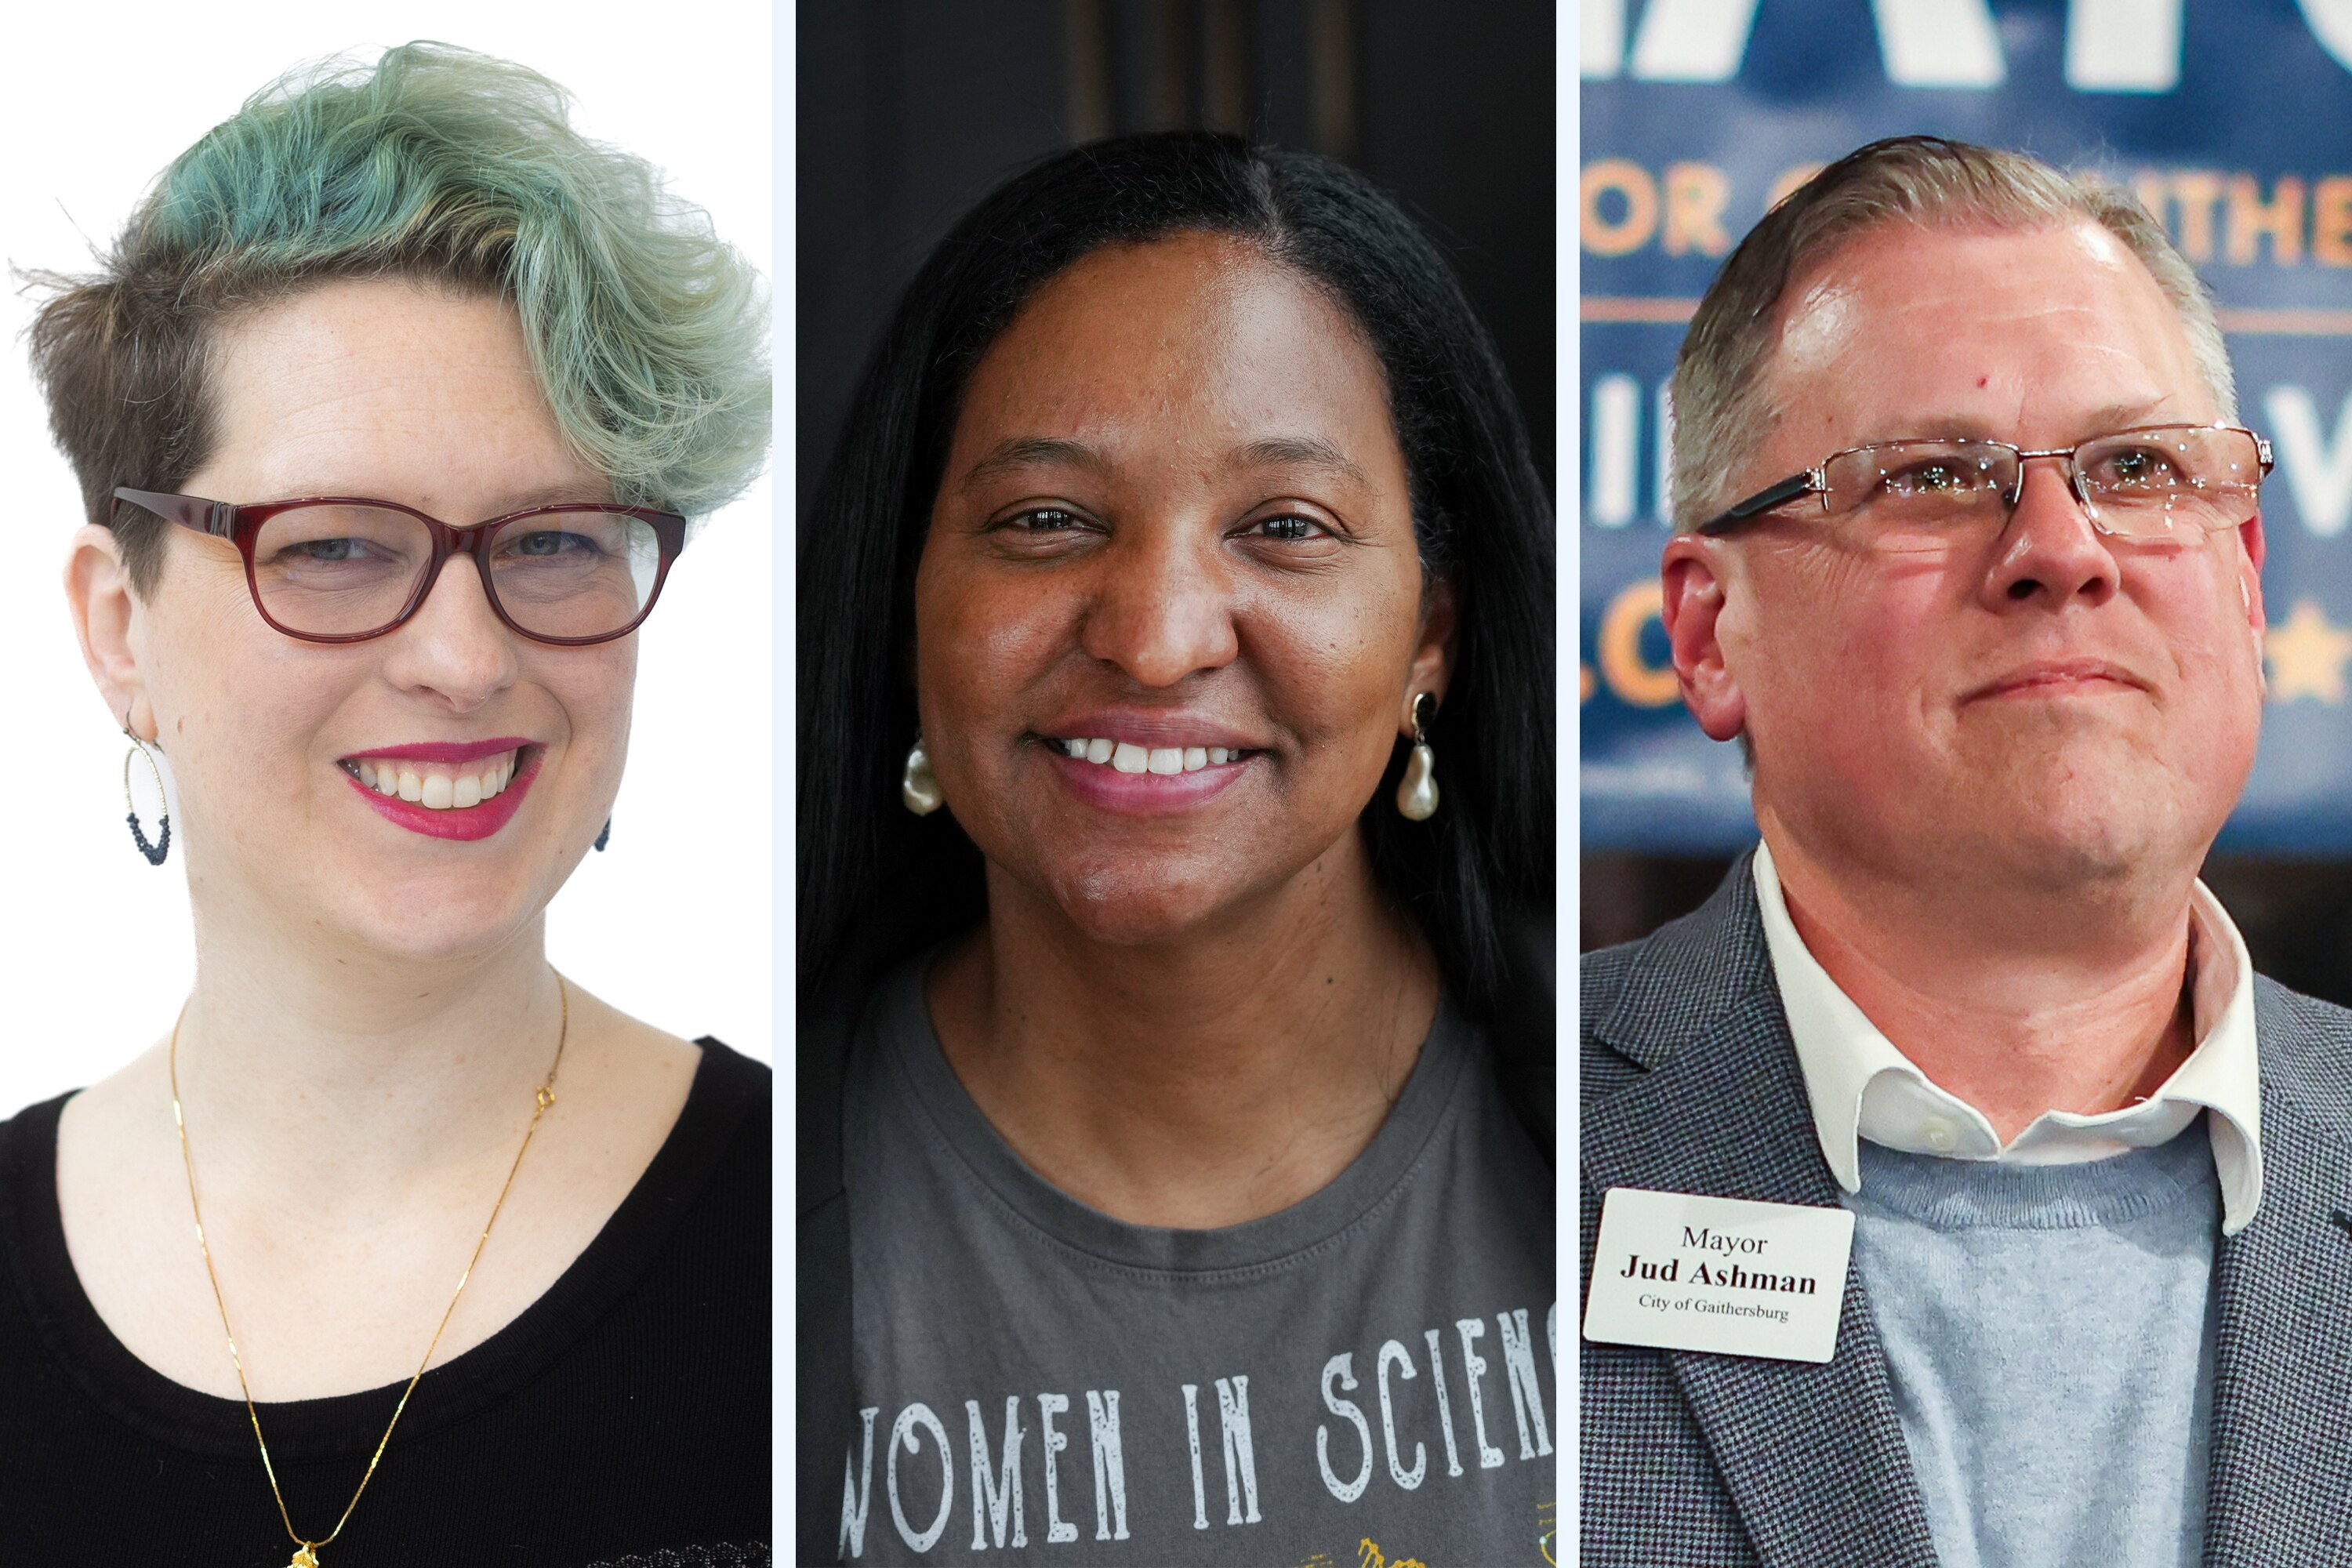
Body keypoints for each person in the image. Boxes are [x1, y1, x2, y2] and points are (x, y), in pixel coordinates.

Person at [5, 44, 771, 1568]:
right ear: (117, 629)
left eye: (553, 541)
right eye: (338, 547)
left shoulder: (814, 1232)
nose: (464, 658)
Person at [1581, 133, 2352, 1566]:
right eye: (1934, 477)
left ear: (2246, 588)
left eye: (2136, 465)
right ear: (1707, 635)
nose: (2063, 548)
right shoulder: (1483, 1151)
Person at [797, 132, 1555, 1564]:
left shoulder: (1647, 1146)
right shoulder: (731, 1221)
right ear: (909, 605)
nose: (1153, 639)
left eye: (1284, 526)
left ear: (1432, 637)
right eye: (1044, 521)